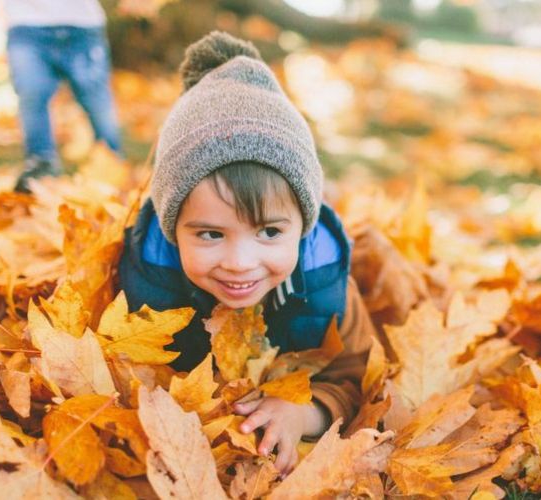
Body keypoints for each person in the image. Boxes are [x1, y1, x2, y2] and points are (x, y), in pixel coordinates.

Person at [118, 32, 375, 475]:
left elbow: (355, 379)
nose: (239, 262)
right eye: (211, 235)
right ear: (173, 228)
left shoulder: (324, 285)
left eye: (270, 232)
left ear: (303, 227)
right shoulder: (146, 283)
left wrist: (304, 411)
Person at [0, 0, 122, 192]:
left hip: (82, 25)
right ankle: (40, 164)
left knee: (96, 100)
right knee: (32, 94)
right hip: (26, 25)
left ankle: (112, 161)